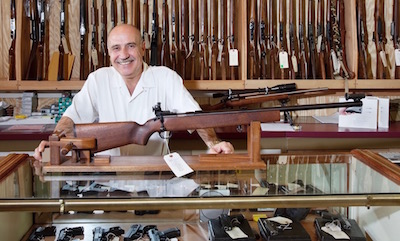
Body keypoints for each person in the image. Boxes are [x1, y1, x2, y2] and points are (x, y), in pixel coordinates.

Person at [33, 24, 233, 160]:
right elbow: (71, 118)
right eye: (116, 48)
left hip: (156, 179)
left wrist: (214, 143)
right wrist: (55, 141)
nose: (124, 55)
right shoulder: (98, 79)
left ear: (143, 48)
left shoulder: (165, 77)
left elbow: (194, 117)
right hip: (107, 181)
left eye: (131, 46)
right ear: (109, 53)